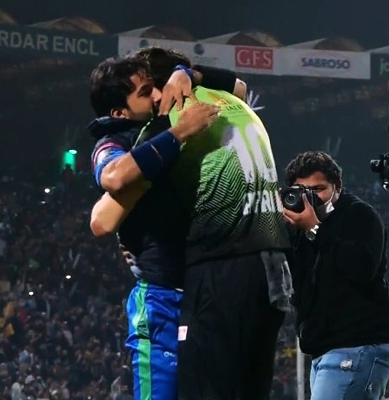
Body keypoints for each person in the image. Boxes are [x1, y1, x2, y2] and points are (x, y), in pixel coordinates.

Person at [92, 47, 292, 400]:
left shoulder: (169, 122)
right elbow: (102, 215)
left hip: (198, 283)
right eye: (146, 92)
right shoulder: (121, 139)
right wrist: (179, 133)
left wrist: (187, 72)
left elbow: (239, 88)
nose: (158, 96)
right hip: (161, 295)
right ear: (120, 111)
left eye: (159, 85)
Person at [283, 151, 389, 400]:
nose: (310, 198)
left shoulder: (360, 216)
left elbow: (360, 269)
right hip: (325, 350)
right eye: (302, 190)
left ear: (338, 187)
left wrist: (315, 229)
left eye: (318, 189)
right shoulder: (298, 229)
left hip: (357, 346)